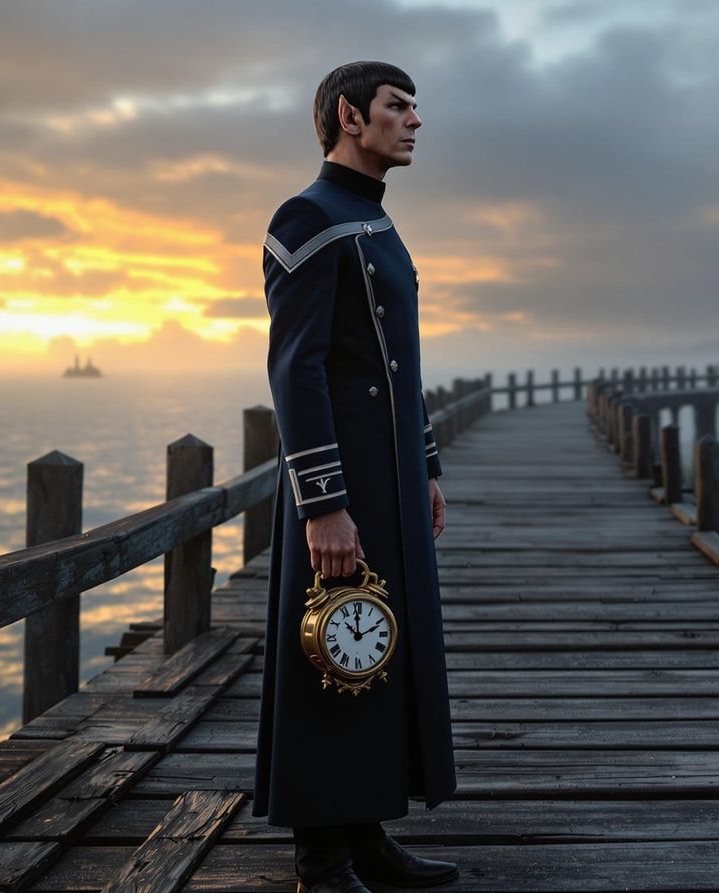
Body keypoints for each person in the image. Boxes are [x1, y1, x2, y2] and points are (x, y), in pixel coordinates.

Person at [254, 61, 459, 893]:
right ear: (349, 115)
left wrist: (428, 464)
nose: (414, 121)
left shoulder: (373, 220)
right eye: (396, 107)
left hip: (394, 480)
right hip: (343, 483)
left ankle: (369, 834)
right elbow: (296, 371)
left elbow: (399, 365)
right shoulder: (308, 217)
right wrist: (324, 505)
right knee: (330, 651)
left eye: (415, 108)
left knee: (378, 653)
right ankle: (322, 859)